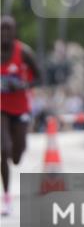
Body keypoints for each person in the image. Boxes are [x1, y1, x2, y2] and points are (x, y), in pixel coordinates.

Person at [1, 16, 42, 216]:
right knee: (3, 149)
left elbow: (40, 76)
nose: (4, 33)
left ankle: (14, 152)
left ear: (15, 31)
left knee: (16, 156)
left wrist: (23, 85)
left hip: (21, 109)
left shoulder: (24, 52)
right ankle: (6, 197)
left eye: (9, 29)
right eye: (1, 29)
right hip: (1, 108)